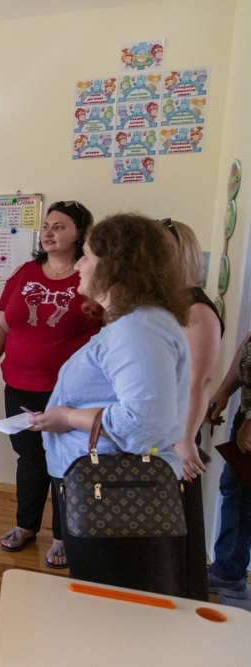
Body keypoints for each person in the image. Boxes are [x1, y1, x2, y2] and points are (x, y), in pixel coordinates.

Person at [30, 213, 191, 596]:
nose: (79, 265)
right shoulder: (137, 324)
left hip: (116, 492)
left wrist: (67, 416)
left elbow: (142, 423)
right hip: (105, 486)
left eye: (87, 255)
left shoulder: (138, 329)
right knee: (103, 598)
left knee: (112, 603)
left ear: (116, 265)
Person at [0, 200, 101, 568]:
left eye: (59, 227)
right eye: (47, 226)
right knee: (30, 459)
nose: (49, 232)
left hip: (70, 392)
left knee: (67, 462)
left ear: (80, 234)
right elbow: (2, 325)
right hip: (21, 385)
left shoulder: (91, 277)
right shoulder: (25, 273)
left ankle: (64, 535)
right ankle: (26, 525)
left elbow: (106, 332)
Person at [163, 218, 222, 600]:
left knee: (177, 524)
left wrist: (185, 440)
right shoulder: (168, 305)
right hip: (160, 430)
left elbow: (198, 382)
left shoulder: (197, 309)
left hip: (176, 434)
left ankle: (179, 599)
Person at [206, 330, 251, 604]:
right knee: (235, 490)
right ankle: (228, 572)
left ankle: (230, 575)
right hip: (244, 415)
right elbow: (248, 344)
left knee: (243, 497)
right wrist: (224, 391)